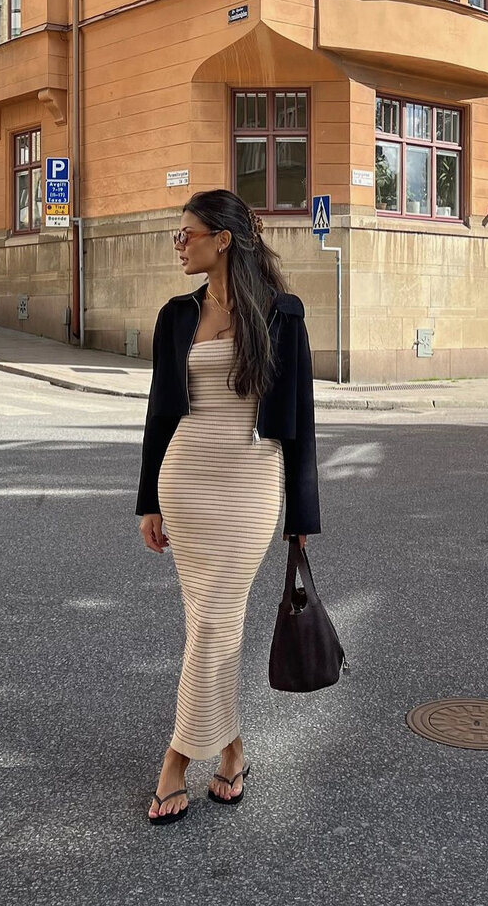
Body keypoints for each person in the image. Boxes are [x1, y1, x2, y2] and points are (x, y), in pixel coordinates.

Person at [136, 189, 321, 825]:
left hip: (249, 484)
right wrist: (148, 501)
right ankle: (233, 749)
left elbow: (300, 423)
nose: (178, 244)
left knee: (214, 620)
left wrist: (301, 519)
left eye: (186, 233)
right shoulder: (176, 316)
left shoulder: (281, 314)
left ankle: (176, 760)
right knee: (208, 624)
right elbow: (159, 413)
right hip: (185, 481)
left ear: (223, 239)